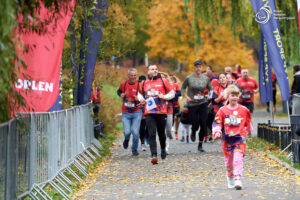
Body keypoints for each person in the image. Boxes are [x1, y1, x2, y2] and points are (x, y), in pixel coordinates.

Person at [212, 84, 252, 190]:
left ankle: (238, 179)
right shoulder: (222, 110)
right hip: (227, 140)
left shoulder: (244, 109)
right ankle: (230, 177)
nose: (234, 97)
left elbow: (248, 122)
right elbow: (217, 122)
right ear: (227, 97)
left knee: (237, 160)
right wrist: (217, 132)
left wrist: (249, 130)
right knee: (229, 162)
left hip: (240, 139)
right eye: (232, 95)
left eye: (236, 95)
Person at [138, 65, 175, 164]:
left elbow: (172, 93)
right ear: (148, 72)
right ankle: (154, 155)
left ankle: (163, 148)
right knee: (151, 133)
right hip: (149, 112)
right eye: (152, 69)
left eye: (156, 69)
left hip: (161, 112)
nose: (154, 71)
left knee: (161, 134)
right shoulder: (144, 83)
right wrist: (140, 98)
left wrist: (164, 96)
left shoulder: (163, 81)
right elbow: (139, 93)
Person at [181, 60, 213, 152]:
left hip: (203, 103)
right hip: (192, 103)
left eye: (199, 66)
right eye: (196, 66)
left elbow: (211, 89)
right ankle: (194, 131)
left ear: (201, 68)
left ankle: (200, 144)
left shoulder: (205, 79)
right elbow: (183, 88)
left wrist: (208, 96)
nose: (198, 68)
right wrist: (186, 97)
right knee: (195, 123)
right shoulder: (189, 78)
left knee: (203, 124)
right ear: (194, 68)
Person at [117, 68, 142, 156]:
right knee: (127, 132)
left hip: (137, 111)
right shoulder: (123, 84)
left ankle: (134, 149)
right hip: (126, 112)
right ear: (128, 76)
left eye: (135, 75)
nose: (133, 77)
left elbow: (144, 98)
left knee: (135, 132)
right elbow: (119, 91)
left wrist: (138, 98)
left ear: (136, 75)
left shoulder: (140, 85)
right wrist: (121, 94)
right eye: (131, 75)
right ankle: (126, 139)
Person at [207, 73, 228, 142]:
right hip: (217, 110)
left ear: (226, 79)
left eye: (224, 77)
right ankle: (213, 134)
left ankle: (226, 139)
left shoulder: (230, 88)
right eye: (220, 78)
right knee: (217, 123)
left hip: (227, 110)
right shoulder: (216, 89)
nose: (222, 79)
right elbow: (214, 101)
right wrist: (220, 97)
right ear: (218, 81)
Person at [169, 74, 181, 140]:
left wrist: (174, 97)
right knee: (170, 119)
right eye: (169, 79)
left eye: (172, 79)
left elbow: (180, 93)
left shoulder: (176, 85)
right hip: (169, 106)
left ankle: (176, 133)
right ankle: (169, 132)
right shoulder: (167, 85)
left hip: (176, 105)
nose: (171, 80)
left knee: (176, 118)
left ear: (174, 80)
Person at [138, 75, 148, 151]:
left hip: (146, 110)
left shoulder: (148, 87)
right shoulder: (136, 88)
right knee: (141, 128)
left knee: (145, 127)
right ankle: (142, 142)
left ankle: (143, 142)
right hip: (137, 110)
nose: (142, 83)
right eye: (140, 82)